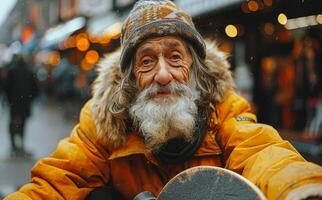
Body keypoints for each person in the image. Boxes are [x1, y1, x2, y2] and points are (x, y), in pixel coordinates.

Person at [5, 1, 322, 199]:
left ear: (195, 70)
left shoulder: (221, 109)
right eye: (146, 61)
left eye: (174, 57)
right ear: (129, 77)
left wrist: (301, 188)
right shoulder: (104, 122)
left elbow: (262, 152)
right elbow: (57, 181)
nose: (163, 75)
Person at [4, 54, 38, 157]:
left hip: (14, 103)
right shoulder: (29, 71)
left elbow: (6, 87)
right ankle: (21, 144)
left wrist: (9, 99)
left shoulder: (12, 70)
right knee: (23, 123)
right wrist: (30, 98)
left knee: (13, 123)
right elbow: (35, 88)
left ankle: (14, 145)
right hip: (24, 103)